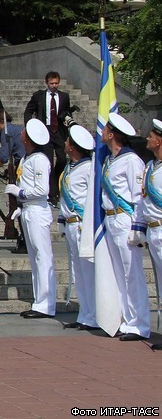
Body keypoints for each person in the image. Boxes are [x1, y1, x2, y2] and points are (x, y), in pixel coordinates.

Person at [100, 112, 151, 340]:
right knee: (119, 274)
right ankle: (127, 320)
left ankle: (140, 323)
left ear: (112, 134)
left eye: (105, 129)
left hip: (124, 219)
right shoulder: (111, 160)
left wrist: (137, 226)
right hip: (111, 218)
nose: (101, 132)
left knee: (132, 274)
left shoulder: (131, 161)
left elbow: (137, 196)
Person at [5, 119, 57, 319]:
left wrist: (21, 193)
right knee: (35, 259)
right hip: (28, 210)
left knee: (43, 257)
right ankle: (39, 301)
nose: (21, 135)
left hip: (37, 210)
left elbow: (42, 190)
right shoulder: (27, 158)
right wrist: (19, 206)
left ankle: (46, 304)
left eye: (24, 133)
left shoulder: (39, 160)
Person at [60, 124, 97, 330]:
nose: (64, 144)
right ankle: (85, 313)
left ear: (73, 147)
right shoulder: (70, 168)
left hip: (83, 224)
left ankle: (94, 314)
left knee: (88, 271)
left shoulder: (88, 168)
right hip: (71, 224)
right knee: (79, 272)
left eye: (67, 142)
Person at [24, 71, 72, 204]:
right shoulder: (39, 96)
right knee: (48, 161)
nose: (54, 85)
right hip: (45, 131)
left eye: (56, 83)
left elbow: (66, 112)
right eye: (52, 83)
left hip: (59, 132)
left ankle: (57, 180)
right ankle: (53, 193)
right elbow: (28, 111)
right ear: (47, 83)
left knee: (62, 159)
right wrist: (30, 126)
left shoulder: (64, 97)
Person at [137, 118, 162, 337]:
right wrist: (139, 228)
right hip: (153, 231)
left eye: (152, 136)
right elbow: (143, 200)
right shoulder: (150, 167)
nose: (148, 138)